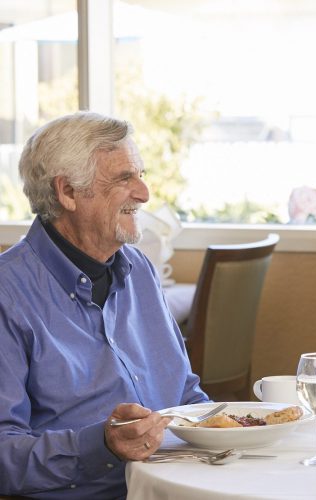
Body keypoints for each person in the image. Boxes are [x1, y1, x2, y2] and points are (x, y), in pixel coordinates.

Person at [0, 112, 208, 498]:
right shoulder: (7, 294)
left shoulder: (139, 269)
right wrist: (102, 446)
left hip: (180, 486)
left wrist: (232, 428)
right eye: (123, 178)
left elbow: (185, 394)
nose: (144, 193)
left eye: (141, 174)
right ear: (67, 193)